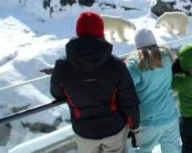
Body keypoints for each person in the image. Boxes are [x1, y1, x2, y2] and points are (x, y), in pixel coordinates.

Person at [50, 11, 140, 153]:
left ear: (78, 31)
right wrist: (134, 126)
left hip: (84, 131)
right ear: (101, 31)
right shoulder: (116, 65)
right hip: (114, 129)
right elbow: (129, 99)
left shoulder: (63, 66)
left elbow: (57, 93)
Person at [125, 28, 181, 153]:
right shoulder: (167, 57)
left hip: (149, 120)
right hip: (170, 115)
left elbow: (125, 87)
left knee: (144, 150)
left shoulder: (135, 64)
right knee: (172, 148)